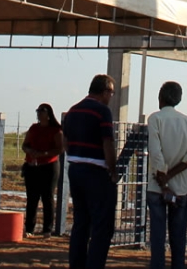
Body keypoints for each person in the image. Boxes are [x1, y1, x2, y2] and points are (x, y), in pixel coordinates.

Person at [63, 74, 118, 269]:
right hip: (97, 172)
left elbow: (65, 142)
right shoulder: (102, 111)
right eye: (111, 92)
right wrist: (112, 169)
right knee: (102, 227)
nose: (111, 96)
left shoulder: (72, 110)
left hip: (75, 169)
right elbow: (107, 143)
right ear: (104, 92)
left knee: (81, 223)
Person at [147, 81, 187, 269]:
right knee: (178, 235)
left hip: (156, 185)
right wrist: (171, 175)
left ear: (160, 96)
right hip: (181, 186)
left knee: (158, 236)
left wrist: (162, 176)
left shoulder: (155, 119)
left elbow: (155, 151)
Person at [22, 102, 63, 236]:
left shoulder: (56, 130)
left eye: (42, 111)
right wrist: (30, 151)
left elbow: (60, 148)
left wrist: (44, 154)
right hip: (32, 166)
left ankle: (47, 229)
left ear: (49, 114)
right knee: (32, 198)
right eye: (38, 111)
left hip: (49, 167)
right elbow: (25, 145)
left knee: (47, 197)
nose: (39, 113)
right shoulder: (33, 128)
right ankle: (29, 228)